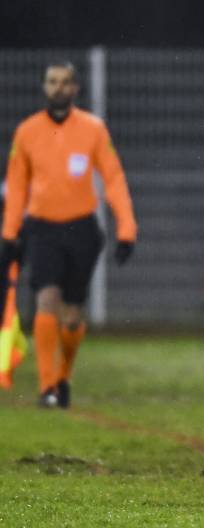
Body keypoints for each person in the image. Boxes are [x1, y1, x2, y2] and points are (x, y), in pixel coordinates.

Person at [0, 61, 137, 408]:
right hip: (42, 228)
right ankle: (47, 387)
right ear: (44, 87)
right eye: (52, 82)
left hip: (82, 230)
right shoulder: (27, 132)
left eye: (65, 82)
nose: (58, 88)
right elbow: (16, 186)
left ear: (75, 89)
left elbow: (114, 178)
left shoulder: (93, 129)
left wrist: (126, 228)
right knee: (46, 298)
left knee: (72, 314)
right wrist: (9, 232)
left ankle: (63, 376)